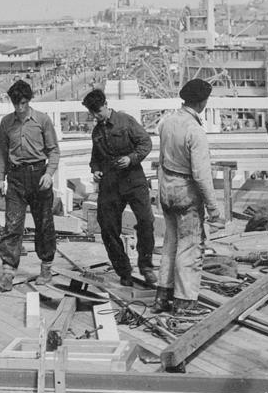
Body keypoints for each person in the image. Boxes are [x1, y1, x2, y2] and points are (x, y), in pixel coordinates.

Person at [152, 79, 224, 316]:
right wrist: (214, 209)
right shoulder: (195, 131)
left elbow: (162, 159)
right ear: (203, 102)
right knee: (190, 246)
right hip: (186, 192)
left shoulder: (167, 122)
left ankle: (162, 295)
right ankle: (184, 302)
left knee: (170, 243)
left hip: (166, 189)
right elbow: (202, 176)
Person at [81, 88, 157, 287]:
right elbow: (95, 158)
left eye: (98, 111)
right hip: (110, 181)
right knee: (107, 227)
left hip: (133, 178)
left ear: (106, 105)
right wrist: (95, 170)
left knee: (146, 221)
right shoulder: (97, 131)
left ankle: (146, 266)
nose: (96, 116)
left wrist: (131, 158)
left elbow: (145, 143)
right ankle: (124, 271)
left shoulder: (126, 120)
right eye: (93, 114)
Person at [0, 80, 61, 291]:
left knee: (44, 224)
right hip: (16, 178)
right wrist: (0, 178)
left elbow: (54, 150)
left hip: (39, 176)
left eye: (22, 103)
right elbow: (1, 153)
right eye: (15, 103)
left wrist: (49, 174)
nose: (19, 108)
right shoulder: (6, 123)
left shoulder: (42, 120)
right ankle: (8, 274)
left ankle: (46, 268)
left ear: (28, 101)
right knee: (12, 225)